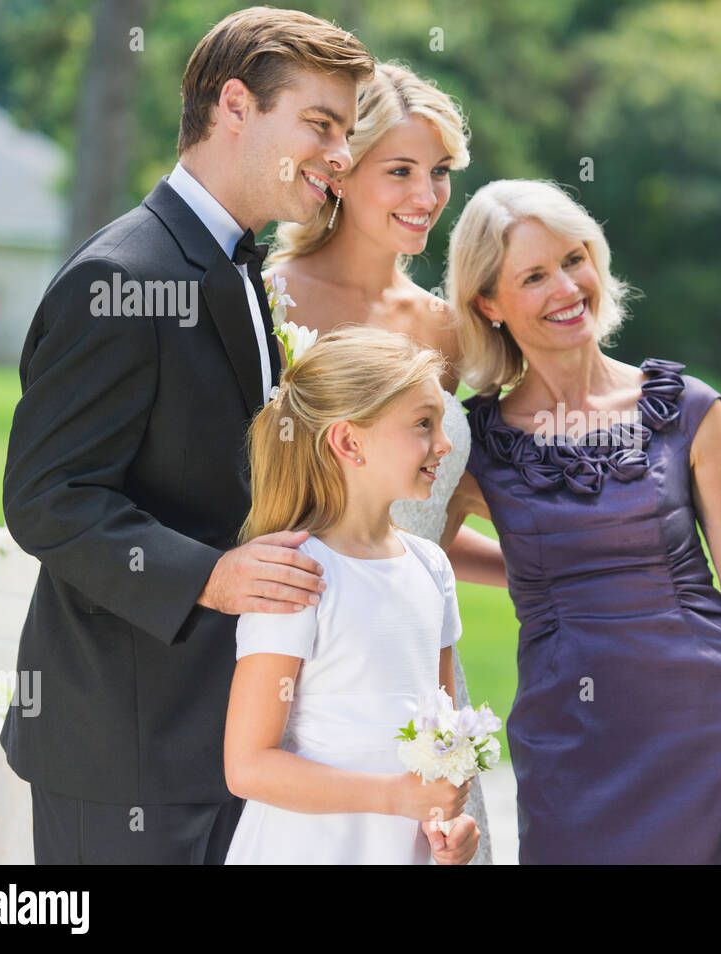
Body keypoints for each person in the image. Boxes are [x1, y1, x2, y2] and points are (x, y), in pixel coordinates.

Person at [0, 8, 373, 863]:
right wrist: (211, 576)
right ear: (235, 105)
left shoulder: (238, 266)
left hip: (225, 738)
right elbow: (50, 500)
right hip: (126, 748)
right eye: (320, 124)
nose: (340, 155)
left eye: (346, 133)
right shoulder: (118, 278)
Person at [445, 179, 721, 864]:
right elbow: (418, 552)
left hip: (708, 723)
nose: (567, 288)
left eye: (574, 259)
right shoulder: (473, 441)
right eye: (533, 276)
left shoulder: (686, 409)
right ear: (488, 302)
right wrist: (538, 573)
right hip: (569, 739)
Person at [265, 61, 502, 863]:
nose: (427, 196)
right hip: (308, 663)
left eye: (438, 173)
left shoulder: (452, 331)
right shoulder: (267, 302)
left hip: (420, 663)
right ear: (342, 171)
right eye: (400, 170)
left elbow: (431, 520)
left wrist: (542, 568)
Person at [222, 327, 479, 864]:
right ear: (348, 442)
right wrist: (392, 797)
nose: (445, 443)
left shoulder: (431, 568)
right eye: (423, 424)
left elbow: (443, 731)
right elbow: (248, 765)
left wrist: (448, 827)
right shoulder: (298, 572)